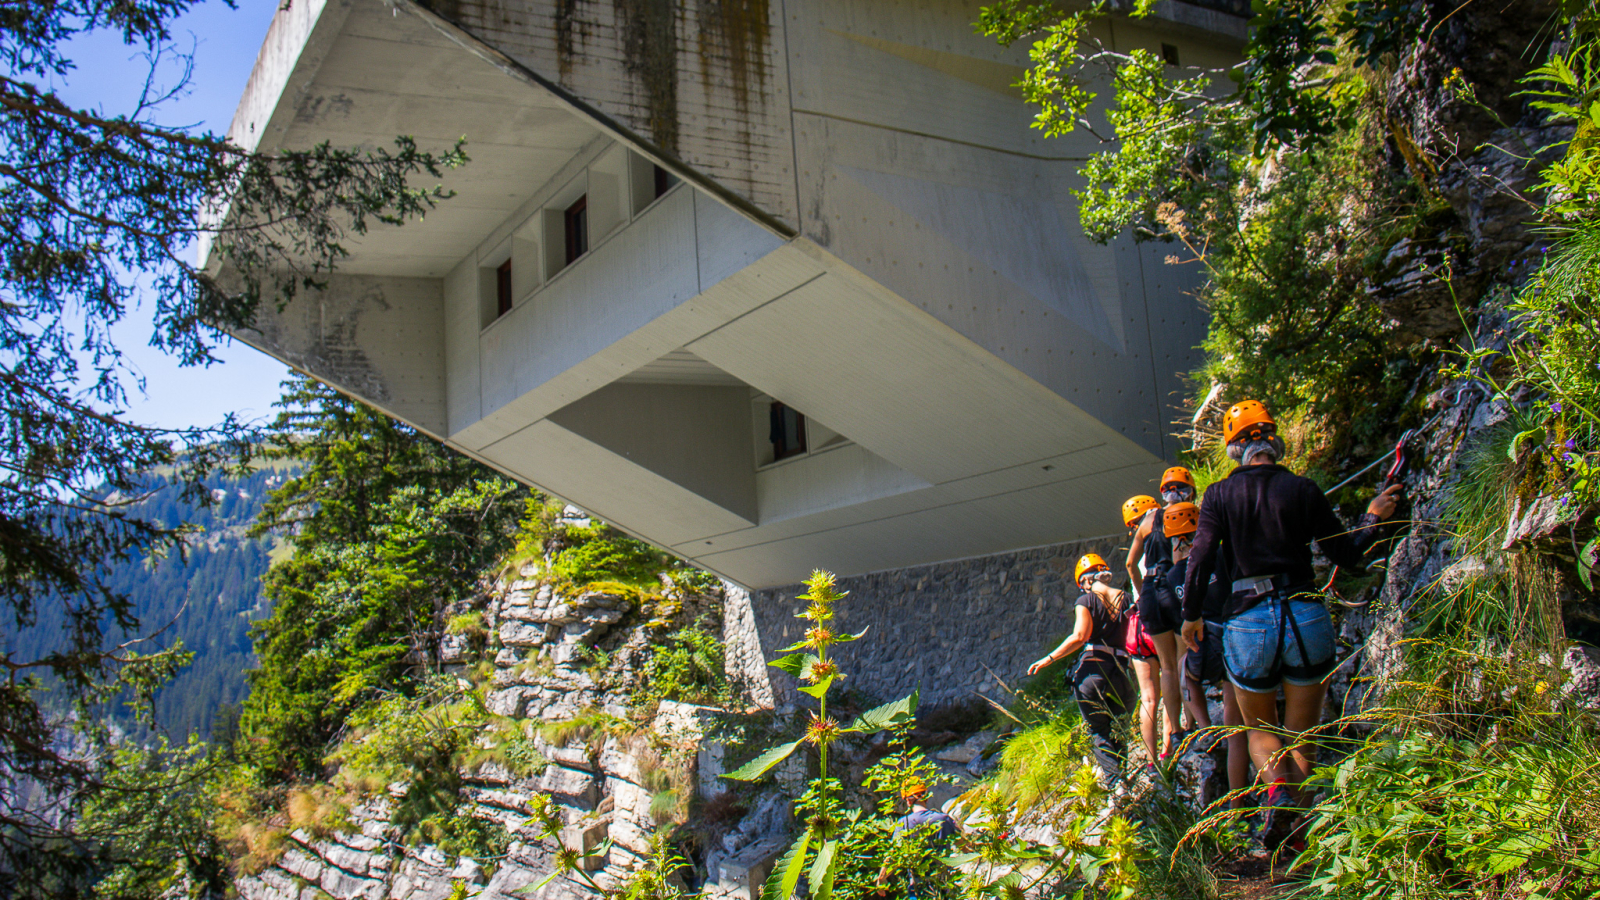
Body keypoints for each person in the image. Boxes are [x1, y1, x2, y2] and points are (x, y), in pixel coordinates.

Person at [1181, 400, 1401, 850]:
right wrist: (1375, 516)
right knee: (1304, 734)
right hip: (1305, 612)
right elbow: (1347, 554)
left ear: (1234, 450)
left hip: (1248, 620)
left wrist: (1192, 616)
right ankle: (1298, 832)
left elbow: (1200, 557)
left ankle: (1279, 795)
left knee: (1262, 732)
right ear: (1273, 442)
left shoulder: (1219, 496)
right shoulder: (1302, 489)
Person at [1164, 501, 1253, 813]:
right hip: (1235, 639)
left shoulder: (1173, 575)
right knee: (1238, 725)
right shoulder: (1220, 554)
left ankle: (1203, 724)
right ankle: (1243, 801)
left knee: (1181, 666)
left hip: (1203, 651)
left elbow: (1181, 622)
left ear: (1173, 540)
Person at [1029, 553, 1132, 786]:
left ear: (1085, 581)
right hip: (1123, 673)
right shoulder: (1126, 599)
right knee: (1120, 730)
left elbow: (1080, 636)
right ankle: (1125, 779)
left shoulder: (1085, 602)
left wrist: (1049, 658)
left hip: (1093, 672)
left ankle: (1117, 787)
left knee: (1100, 731)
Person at [1125, 469, 1196, 759]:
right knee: (1183, 660)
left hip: (1151, 592)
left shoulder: (1148, 520)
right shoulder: (1189, 512)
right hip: (1174, 584)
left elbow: (1131, 564)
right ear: (1188, 490)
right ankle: (1192, 725)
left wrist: (1142, 595)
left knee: (1166, 666)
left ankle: (1175, 730)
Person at [875, 779, 961, 897]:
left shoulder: (904, 823)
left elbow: (894, 855)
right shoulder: (944, 819)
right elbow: (966, 846)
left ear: (908, 801)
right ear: (926, 797)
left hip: (917, 889)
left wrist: (882, 877)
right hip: (945, 886)